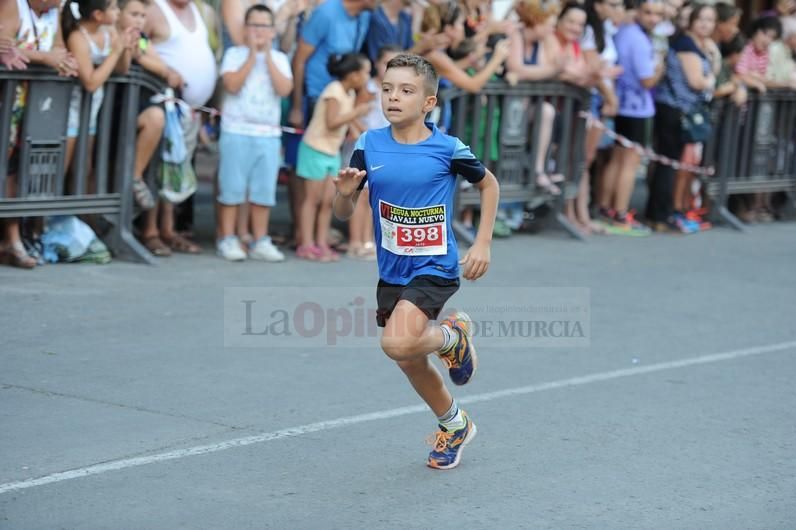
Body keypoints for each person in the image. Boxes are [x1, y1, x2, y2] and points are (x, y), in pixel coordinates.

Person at [333, 54, 499, 469]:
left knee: (394, 342)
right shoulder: (369, 145)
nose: (393, 97)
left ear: (428, 103)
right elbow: (342, 212)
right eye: (387, 89)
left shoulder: (447, 149)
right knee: (407, 358)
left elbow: (489, 184)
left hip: (435, 267)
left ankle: (451, 338)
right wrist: (344, 192)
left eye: (406, 91)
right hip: (392, 270)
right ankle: (454, 424)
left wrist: (482, 243)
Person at [0, 0, 77, 268]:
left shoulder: (53, 12)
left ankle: (12, 238)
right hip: (7, 100)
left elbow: (59, 48)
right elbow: (4, 46)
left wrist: (60, 60)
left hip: (36, 105)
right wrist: (46, 58)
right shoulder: (13, 4)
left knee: (15, 169)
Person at [216, 4, 293, 262]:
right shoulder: (234, 55)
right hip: (235, 130)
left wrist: (267, 55)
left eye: (265, 26)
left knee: (263, 190)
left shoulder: (280, 58)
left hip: (268, 134)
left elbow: (284, 89)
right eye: (254, 25)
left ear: (273, 30)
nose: (259, 31)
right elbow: (232, 85)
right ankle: (228, 238)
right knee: (232, 187)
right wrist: (252, 55)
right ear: (245, 28)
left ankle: (260, 239)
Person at [145, 0, 217, 253]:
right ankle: (150, 230)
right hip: (164, 105)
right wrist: (164, 70)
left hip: (191, 110)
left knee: (175, 170)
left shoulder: (199, 11)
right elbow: (140, 43)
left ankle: (169, 229)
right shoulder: (154, 10)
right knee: (157, 169)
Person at [295, 53, 372, 262]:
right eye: (365, 72)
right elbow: (332, 122)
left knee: (328, 201)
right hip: (315, 149)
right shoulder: (334, 91)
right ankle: (307, 244)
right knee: (312, 200)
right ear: (353, 75)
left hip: (331, 151)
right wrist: (358, 113)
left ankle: (321, 243)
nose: (367, 76)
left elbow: (350, 124)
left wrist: (364, 133)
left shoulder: (349, 94)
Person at [647, 3, 717, 234]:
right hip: (674, 109)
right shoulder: (686, 44)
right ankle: (660, 214)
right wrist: (710, 81)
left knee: (673, 163)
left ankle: (664, 212)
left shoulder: (700, 45)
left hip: (681, 109)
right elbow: (697, 81)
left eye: (710, 20)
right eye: (701, 19)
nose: (706, 24)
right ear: (692, 21)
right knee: (668, 163)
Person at [597, 0, 664, 235]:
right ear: (637, 12)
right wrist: (660, 68)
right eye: (648, 13)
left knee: (617, 159)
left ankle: (606, 208)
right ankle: (620, 212)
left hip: (624, 105)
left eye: (657, 14)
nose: (653, 18)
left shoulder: (624, 32)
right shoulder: (636, 37)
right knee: (629, 162)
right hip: (636, 108)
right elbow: (647, 80)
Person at [62, 0, 137, 194]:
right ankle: (42, 223)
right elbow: (90, 82)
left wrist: (126, 46)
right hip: (70, 110)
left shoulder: (109, 31)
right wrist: (116, 51)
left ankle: (76, 218)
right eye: (113, 7)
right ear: (98, 15)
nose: (118, 11)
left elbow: (122, 69)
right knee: (61, 168)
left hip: (91, 110)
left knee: (83, 168)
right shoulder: (78, 37)